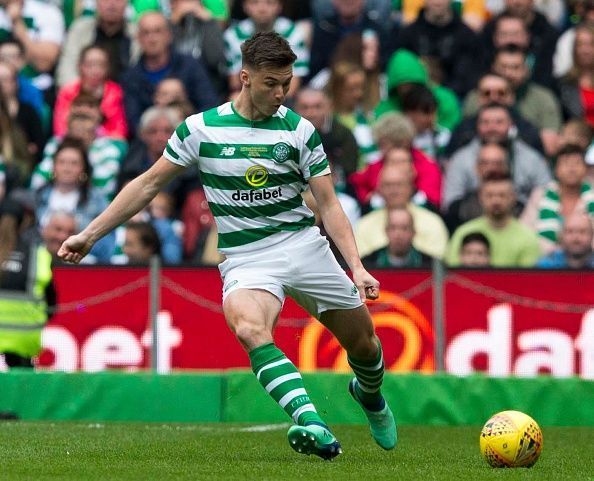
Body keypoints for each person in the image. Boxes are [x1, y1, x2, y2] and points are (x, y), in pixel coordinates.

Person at [57, 31, 396, 459]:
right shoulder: (201, 129)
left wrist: (357, 266)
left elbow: (328, 205)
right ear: (245, 78)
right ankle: (311, 422)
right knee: (249, 328)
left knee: (364, 345)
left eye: (286, 83)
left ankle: (369, 395)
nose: (280, 93)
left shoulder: (299, 130)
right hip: (246, 257)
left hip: (303, 245)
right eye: (271, 83)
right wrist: (90, 234)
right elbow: (147, 185)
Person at [0, 194, 55, 368]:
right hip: (24, 339)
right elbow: (51, 303)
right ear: (25, 222)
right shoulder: (37, 255)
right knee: (23, 391)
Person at [445, 173, 541, 267]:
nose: (496, 201)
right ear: (480, 197)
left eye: (502, 195)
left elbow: (528, 280)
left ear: (513, 197)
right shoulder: (463, 233)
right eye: (490, 195)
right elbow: (453, 275)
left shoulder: (527, 237)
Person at [521, 143, 594, 255]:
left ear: (586, 169)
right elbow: (526, 232)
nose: (572, 168)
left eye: (577, 163)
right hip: (546, 261)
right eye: (566, 163)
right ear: (556, 170)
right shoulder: (540, 195)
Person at [53, 45, 128, 139]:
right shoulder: (67, 92)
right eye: (90, 65)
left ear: (108, 68)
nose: (95, 70)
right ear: (80, 66)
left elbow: (119, 131)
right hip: (72, 140)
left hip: (104, 142)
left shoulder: (115, 92)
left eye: (101, 65)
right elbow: (60, 128)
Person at [361, 207, 432, 268]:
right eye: (393, 228)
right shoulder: (368, 262)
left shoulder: (429, 263)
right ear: (386, 231)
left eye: (405, 228)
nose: (398, 234)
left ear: (413, 232)